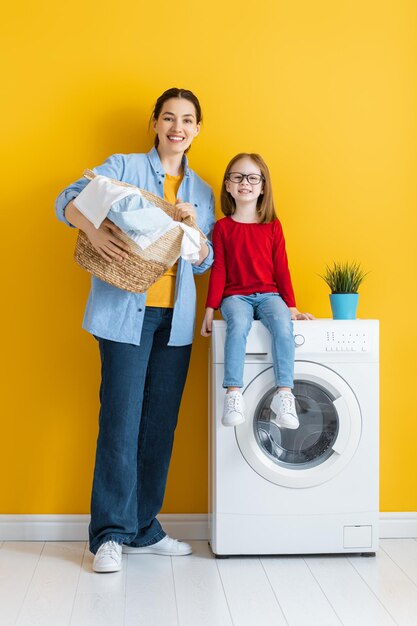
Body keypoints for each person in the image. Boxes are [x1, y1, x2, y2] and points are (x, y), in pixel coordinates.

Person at [55, 88, 214, 573]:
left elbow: (204, 261)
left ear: (197, 129)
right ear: (155, 123)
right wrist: (95, 230)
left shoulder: (202, 191)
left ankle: (144, 527)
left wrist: (196, 231)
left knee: (158, 427)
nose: (177, 127)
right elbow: (67, 198)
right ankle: (109, 534)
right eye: (169, 118)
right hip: (126, 316)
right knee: (120, 423)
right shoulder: (124, 166)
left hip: (175, 323)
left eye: (187, 120)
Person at [201, 153, 313, 428]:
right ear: (228, 185)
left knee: (283, 325)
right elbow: (219, 270)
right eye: (237, 177)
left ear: (263, 187)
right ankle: (233, 393)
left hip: (269, 295)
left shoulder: (273, 226)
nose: (245, 183)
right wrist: (209, 310)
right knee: (238, 324)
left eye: (253, 178)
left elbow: (281, 268)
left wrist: (292, 307)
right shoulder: (223, 228)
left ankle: (284, 394)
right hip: (234, 296)